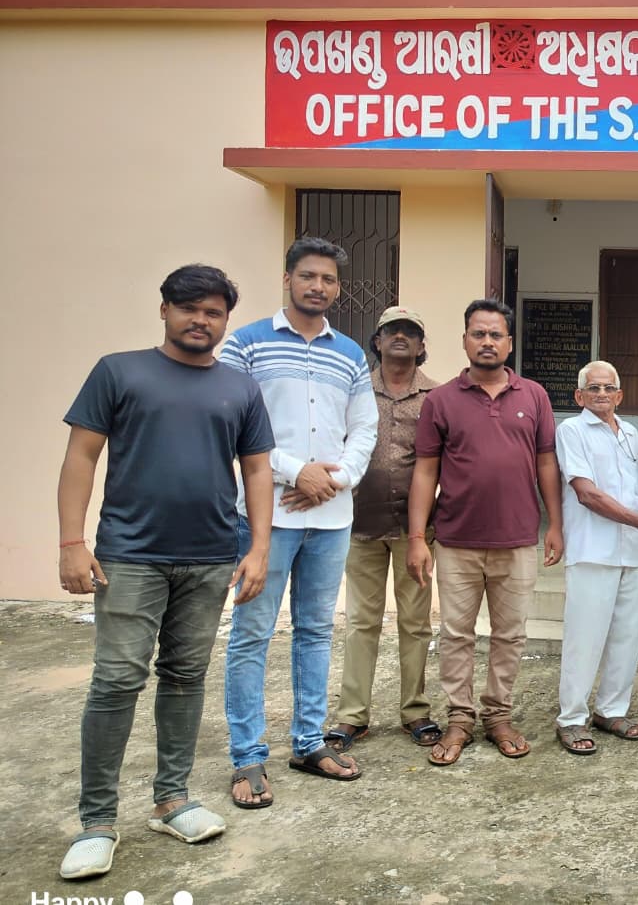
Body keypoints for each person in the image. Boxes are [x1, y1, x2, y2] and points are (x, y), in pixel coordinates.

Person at [56, 265, 275, 880]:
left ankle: (172, 800)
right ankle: (97, 822)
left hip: (210, 557)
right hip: (129, 555)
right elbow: (81, 456)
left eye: (213, 312)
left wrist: (258, 547)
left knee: (184, 676)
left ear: (225, 321)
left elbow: (257, 469)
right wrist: (72, 542)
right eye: (188, 308)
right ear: (164, 310)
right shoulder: (118, 372)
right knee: (116, 680)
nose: (200, 320)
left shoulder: (240, 388)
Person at [222, 236, 378, 807]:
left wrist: (337, 480)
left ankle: (309, 743)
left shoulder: (350, 354)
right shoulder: (246, 344)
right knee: (252, 634)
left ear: (339, 288)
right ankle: (247, 756)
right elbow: (232, 420)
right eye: (308, 276)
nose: (319, 286)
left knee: (315, 631)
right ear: (287, 278)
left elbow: (365, 427)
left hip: (332, 518)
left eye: (329, 279)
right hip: (264, 517)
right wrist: (296, 472)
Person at [407, 298, 564, 765]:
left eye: (496, 334)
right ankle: (460, 718)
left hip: (517, 539)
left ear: (509, 343)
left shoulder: (534, 396)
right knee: (455, 634)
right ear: (465, 341)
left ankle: (498, 716)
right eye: (479, 333)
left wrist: (555, 524)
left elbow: (546, 464)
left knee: (510, 635)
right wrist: (417, 538)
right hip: (457, 540)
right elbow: (425, 472)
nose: (488, 342)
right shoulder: (440, 400)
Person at [324, 306, 442, 755]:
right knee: (361, 622)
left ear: (421, 345)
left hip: (416, 530)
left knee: (415, 623)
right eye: (392, 331)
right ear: (377, 341)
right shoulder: (354, 390)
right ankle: (353, 715)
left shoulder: (436, 397)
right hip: (359, 524)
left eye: (410, 332)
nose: (400, 338)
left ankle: (415, 710)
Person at [553, 361, 638, 754]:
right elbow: (586, 494)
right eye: (594, 388)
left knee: (626, 636)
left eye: (609, 388)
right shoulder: (571, 431)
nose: (602, 394)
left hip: (633, 551)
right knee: (585, 638)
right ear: (579, 396)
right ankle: (572, 718)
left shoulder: (630, 433)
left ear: (620, 395)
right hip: (594, 549)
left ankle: (611, 710)